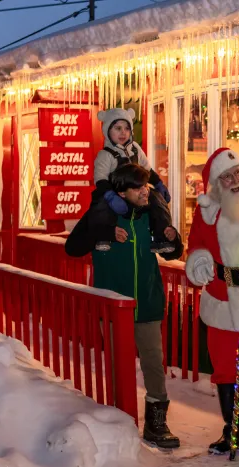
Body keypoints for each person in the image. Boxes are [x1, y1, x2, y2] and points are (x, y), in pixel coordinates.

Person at [65, 164, 184, 449]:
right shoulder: (101, 214)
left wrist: (172, 238)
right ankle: (122, 421)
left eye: (146, 186)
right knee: (119, 365)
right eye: (139, 188)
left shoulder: (151, 215)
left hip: (148, 301)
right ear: (122, 192)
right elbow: (73, 247)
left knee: (154, 364)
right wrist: (104, 232)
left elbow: (175, 251)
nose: (146, 192)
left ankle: (157, 423)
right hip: (114, 307)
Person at [184, 148, 239, 455]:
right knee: (224, 368)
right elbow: (195, 244)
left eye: (237, 172)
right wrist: (198, 261)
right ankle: (232, 430)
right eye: (227, 176)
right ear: (216, 183)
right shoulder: (206, 211)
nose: (235, 180)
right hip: (221, 299)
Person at [95, 107, 174, 254]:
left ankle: (161, 237)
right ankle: (104, 236)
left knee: (157, 199)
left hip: (136, 191)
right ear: (107, 130)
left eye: (126, 128)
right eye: (118, 128)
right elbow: (100, 179)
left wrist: (158, 184)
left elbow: (147, 169)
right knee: (100, 202)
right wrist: (111, 196)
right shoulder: (105, 155)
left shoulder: (136, 149)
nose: (123, 132)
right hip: (114, 192)